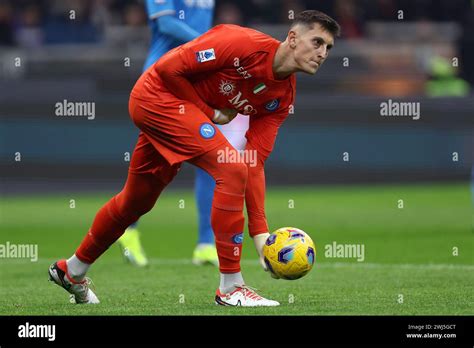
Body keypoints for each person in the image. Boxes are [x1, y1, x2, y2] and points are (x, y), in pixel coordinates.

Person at [48, 10, 340, 307]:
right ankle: (231, 288)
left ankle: (71, 270)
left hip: (179, 113)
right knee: (230, 166)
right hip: (154, 96)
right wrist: (210, 112)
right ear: (292, 38)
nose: (323, 53)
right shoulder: (238, 42)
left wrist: (261, 236)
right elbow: (166, 68)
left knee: (136, 201)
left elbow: (254, 161)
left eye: (328, 48)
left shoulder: (282, 98)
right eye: (317, 42)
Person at [117, 0, 222, 267]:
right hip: (161, 81)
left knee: (211, 160)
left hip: (196, 79)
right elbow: (165, 23)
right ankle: (126, 228)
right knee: (154, 167)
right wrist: (214, 44)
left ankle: (206, 244)